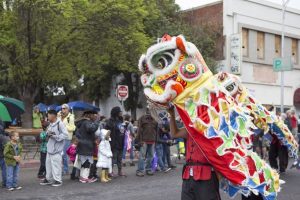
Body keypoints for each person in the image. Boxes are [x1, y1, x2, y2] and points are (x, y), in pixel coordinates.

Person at [167, 106, 221, 200]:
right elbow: (174, 134)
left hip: (206, 176)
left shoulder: (213, 129)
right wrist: (172, 115)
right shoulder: (190, 129)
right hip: (188, 176)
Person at [40, 110, 68, 187]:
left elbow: (66, 135)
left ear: (53, 116)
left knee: (56, 165)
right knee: (48, 165)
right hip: (49, 148)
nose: (47, 117)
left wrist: (56, 137)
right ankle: (48, 179)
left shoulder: (60, 124)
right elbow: (48, 133)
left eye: (48, 115)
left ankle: (58, 180)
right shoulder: (50, 124)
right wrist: (48, 134)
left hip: (56, 149)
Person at [75, 110, 99, 183]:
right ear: (89, 115)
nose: (95, 116)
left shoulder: (81, 122)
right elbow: (91, 129)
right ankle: (85, 177)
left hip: (82, 144)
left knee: (84, 162)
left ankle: (82, 177)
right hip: (87, 145)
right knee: (87, 162)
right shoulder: (87, 122)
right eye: (93, 115)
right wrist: (96, 122)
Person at [136, 109, 158, 177]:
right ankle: (140, 170)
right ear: (146, 111)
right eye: (148, 111)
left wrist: (156, 141)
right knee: (142, 156)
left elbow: (156, 132)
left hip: (152, 140)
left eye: (151, 111)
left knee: (150, 156)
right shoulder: (142, 119)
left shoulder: (155, 120)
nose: (149, 112)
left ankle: (148, 169)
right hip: (144, 141)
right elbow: (139, 131)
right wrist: (140, 140)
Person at [105, 106, 126, 177]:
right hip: (114, 142)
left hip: (121, 142)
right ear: (116, 112)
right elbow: (107, 132)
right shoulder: (110, 121)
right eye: (119, 111)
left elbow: (123, 130)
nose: (121, 113)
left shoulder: (120, 120)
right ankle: (110, 172)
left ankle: (120, 171)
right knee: (113, 159)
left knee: (120, 159)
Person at [59, 104, 76, 175]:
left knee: (64, 154)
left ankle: (65, 169)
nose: (63, 110)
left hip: (67, 138)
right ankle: (64, 169)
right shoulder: (60, 116)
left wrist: (64, 127)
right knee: (61, 154)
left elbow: (73, 128)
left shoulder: (70, 117)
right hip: (60, 137)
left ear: (68, 109)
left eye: (64, 108)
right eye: (62, 108)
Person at [0, 118, 9, 188]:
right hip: (2, 154)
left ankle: (5, 182)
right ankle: (5, 183)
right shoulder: (4, 137)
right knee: (4, 169)